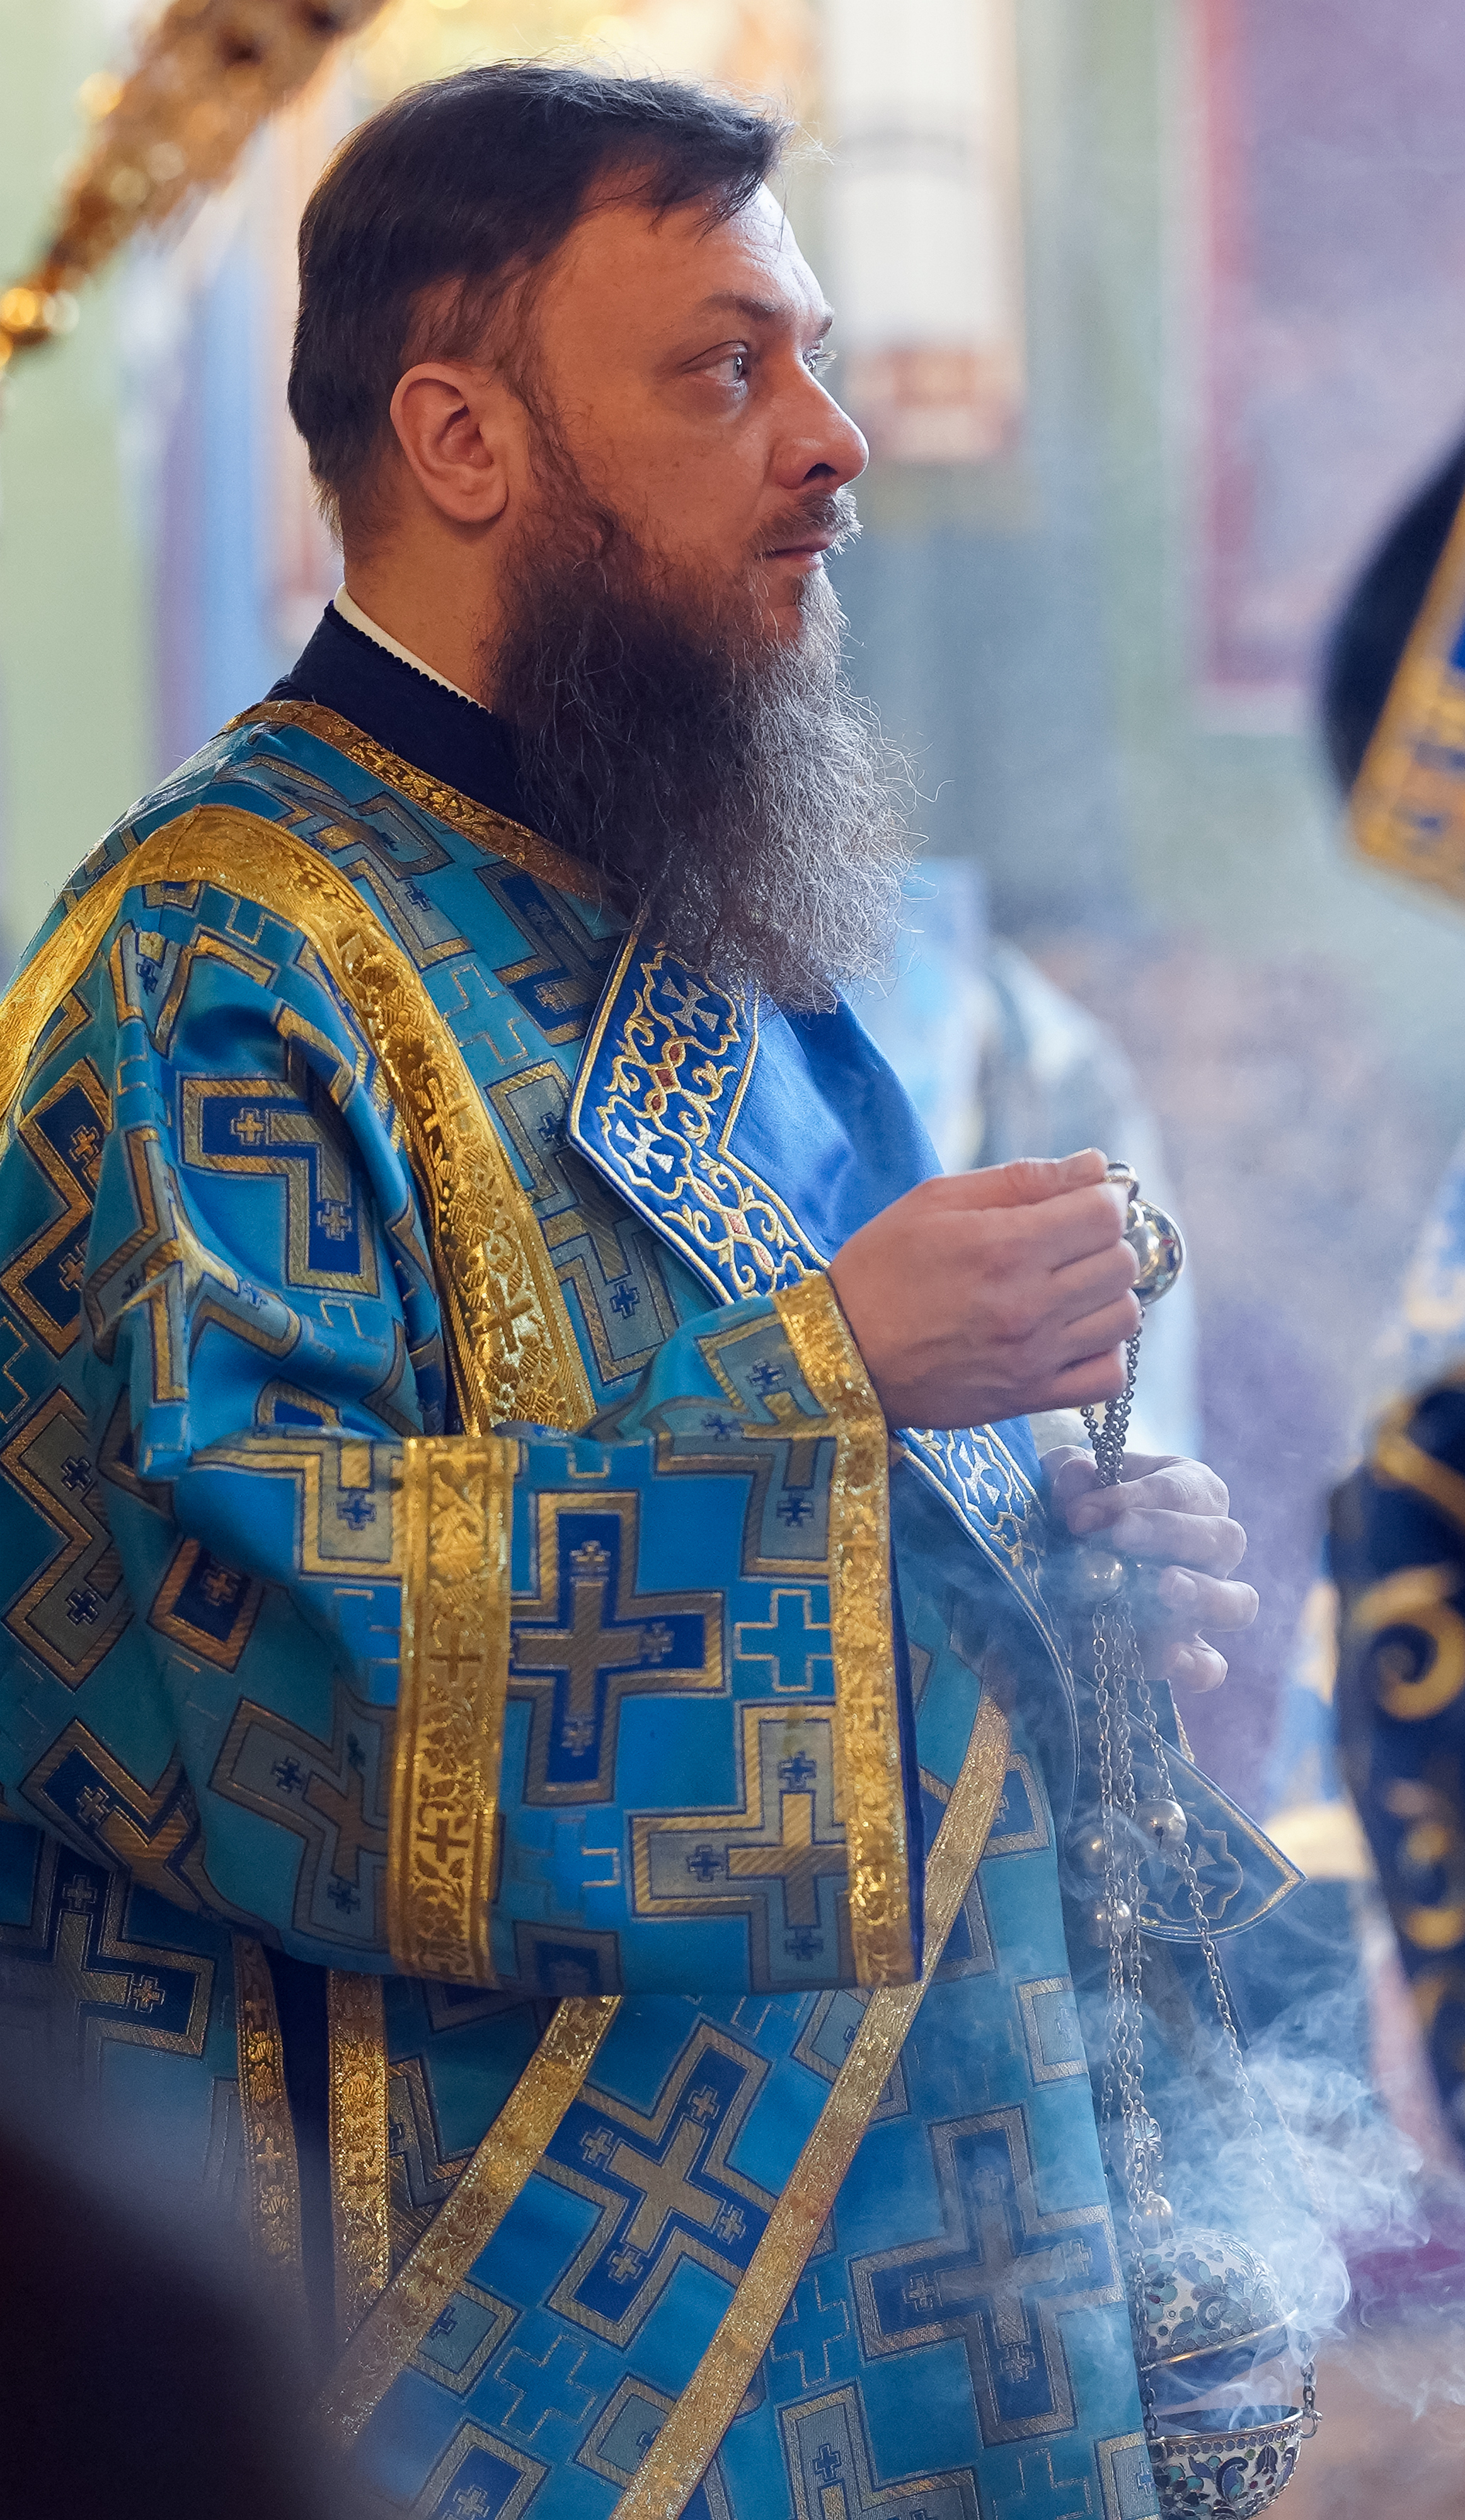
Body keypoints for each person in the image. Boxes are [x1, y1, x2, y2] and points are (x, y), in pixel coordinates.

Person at [0, 64, 1280, 2517]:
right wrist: (831, 1372)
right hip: (487, 2348)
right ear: (461, 437)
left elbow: (889, 1509)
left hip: (929, 2280)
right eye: (723, 368)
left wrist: (1064, 1570)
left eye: (814, 360)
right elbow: (224, 1657)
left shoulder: (689, 898)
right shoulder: (211, 960)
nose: (831, 442)